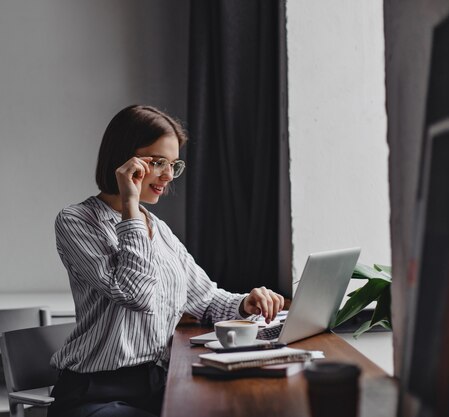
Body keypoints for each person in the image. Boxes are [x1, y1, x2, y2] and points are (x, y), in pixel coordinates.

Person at [50, 104, 284, 417]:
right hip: (94, 392)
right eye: (158, 162)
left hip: (158, 384)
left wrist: (246, 303)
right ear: (125, 159)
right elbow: (135, 294)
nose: (168, 175)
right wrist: (130, 205)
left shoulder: (159, 229)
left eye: (174, 164)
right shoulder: (76, 220)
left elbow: (205, 300)